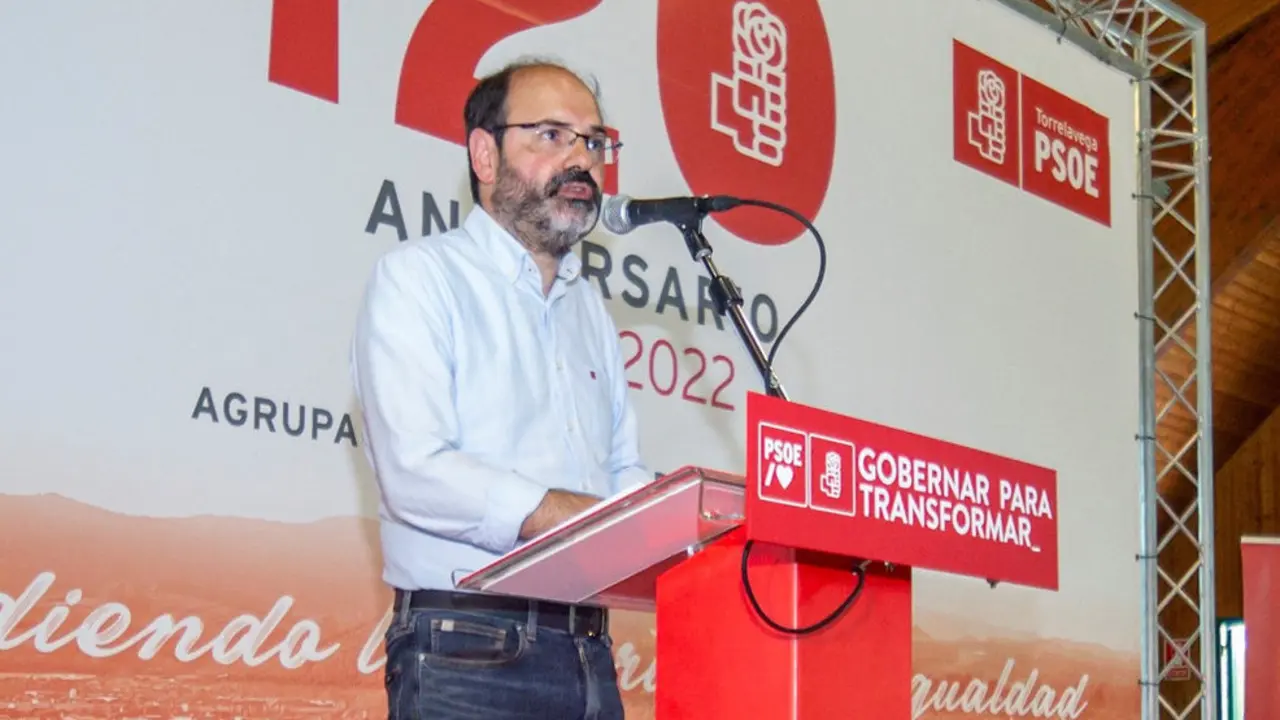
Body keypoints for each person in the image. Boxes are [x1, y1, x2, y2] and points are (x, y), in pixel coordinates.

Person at [350, 58, 652, 719]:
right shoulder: (419, 280)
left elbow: (620, 471)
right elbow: (415, 470)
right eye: (551, 135)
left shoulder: (588, 311)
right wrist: (573, 514)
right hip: (468, 650)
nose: (582, 160)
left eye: (595, 142)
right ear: (484, 155)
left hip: (588, 649)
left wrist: (684, 527)